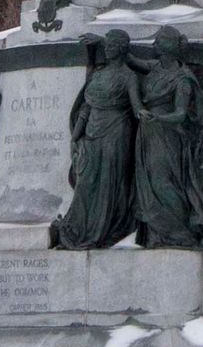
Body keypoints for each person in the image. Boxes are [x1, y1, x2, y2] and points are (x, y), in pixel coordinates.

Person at [49, 31, 142, 250]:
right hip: (91, 133)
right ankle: (80, 229)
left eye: (112, 46)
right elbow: (86, 106)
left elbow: (136, 107)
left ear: (121, 49)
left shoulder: (128, 76)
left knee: (111, 181)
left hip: (116, 132)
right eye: (106, 46)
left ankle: (104, 228)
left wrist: (151, 115)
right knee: (86, 182)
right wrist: (75, 136)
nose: (107, 50)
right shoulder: (98, 74)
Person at [132, 29, 203, 247]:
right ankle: (158, 233)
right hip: (147, 131)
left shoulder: (182, 79)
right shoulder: (154, 68)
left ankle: (178, 232)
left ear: (168, 47)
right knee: (148, 180)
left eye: (159, 40)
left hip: (167, 132)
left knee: (163, 181)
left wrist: (158, 118)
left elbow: (181, 114)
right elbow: (131, 59)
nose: (153, 42)